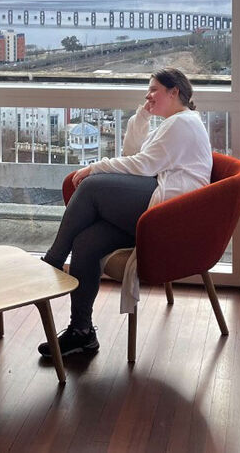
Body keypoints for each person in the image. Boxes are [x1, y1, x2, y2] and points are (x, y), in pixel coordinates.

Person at [38, 67, 212, 357]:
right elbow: (135, 156)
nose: (148, 94)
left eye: (154, 89)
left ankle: (53, 261)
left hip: (169, 214)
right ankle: (82, 332)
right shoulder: (176, 123)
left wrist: (95, 166)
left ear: (174, 92)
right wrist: (142, 118)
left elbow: (141, 166)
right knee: (86, 242)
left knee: (92, 187)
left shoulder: (181, 124)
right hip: (161, 203)